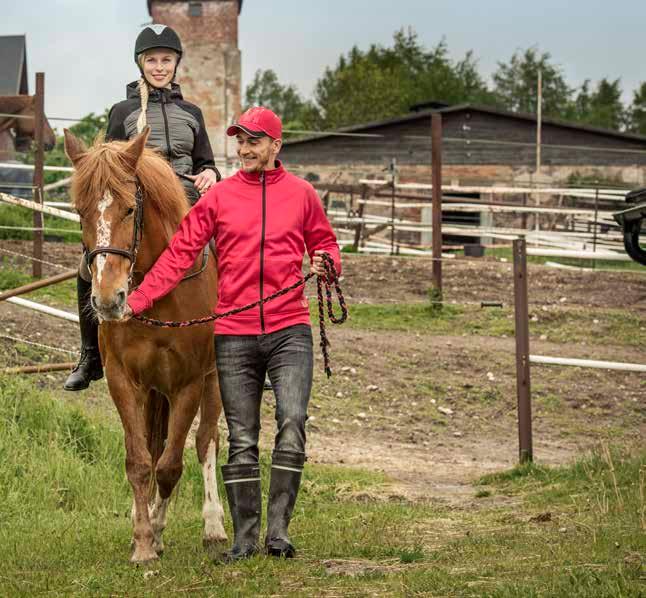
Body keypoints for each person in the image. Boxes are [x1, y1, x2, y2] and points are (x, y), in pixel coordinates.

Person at [124, 106, 342, 560]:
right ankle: (244, 540)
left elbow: (324, 242)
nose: (244, 149)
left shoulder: (302, 195)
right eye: (240, 141)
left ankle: (277, 533)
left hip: (289, 330)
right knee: (241, 436)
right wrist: (138, 301)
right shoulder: (219, 198)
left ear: (275, 146)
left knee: (292, 423)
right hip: (235, 332)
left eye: (254, 141)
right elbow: (181, 251)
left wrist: (327, 264)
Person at [64, 24, 220, 391]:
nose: (160, 67)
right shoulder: (123, 111)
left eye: (166, 60)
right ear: (141, 64)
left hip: (186, 198)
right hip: (137, 202)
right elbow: (108, 165)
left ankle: (236, 344)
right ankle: (90, 354)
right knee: (88, 263)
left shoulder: (192, 113)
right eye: (153, 60)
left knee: (230, 252)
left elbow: (205, 161)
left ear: (176, 64)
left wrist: (210, 173)